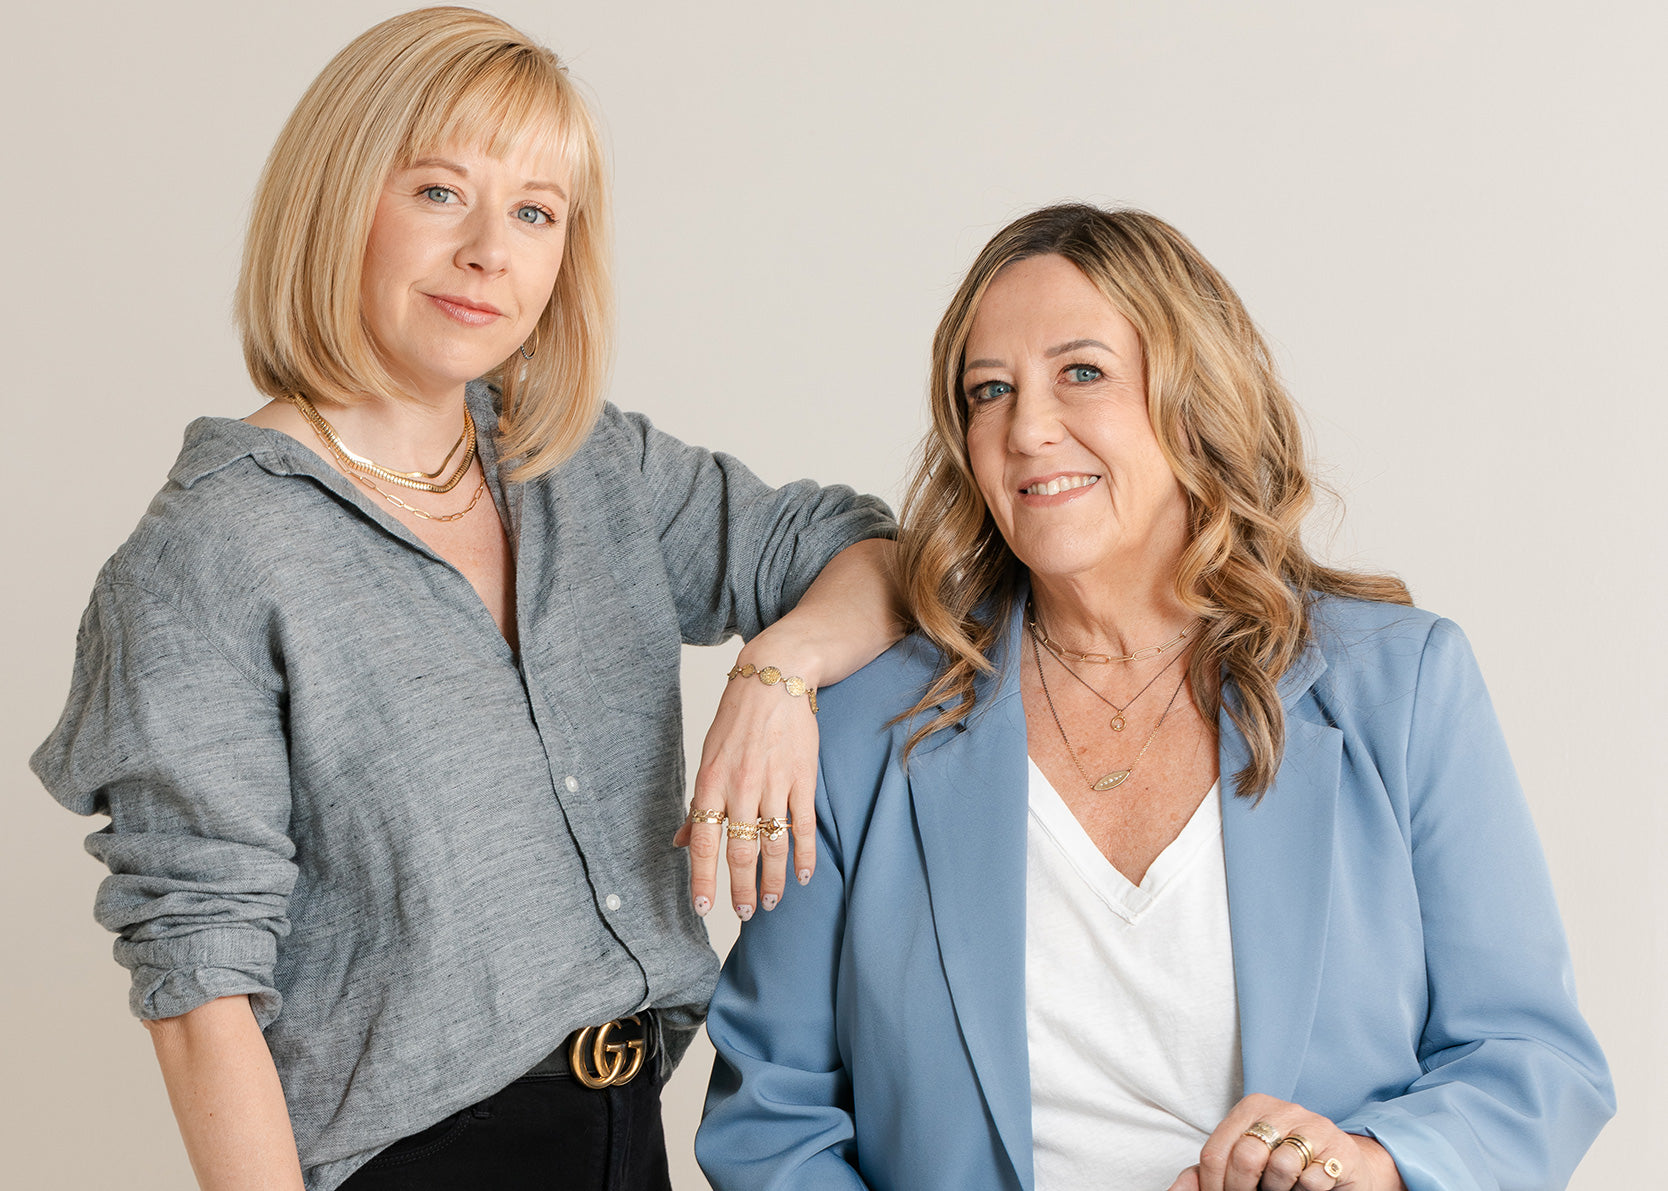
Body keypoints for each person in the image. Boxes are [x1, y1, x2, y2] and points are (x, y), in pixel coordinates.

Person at [31, 9, 899, 1191]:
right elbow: (199, 982)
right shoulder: (211, 552)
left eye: (537, 212)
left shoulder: (587, 467)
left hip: (625, 1133)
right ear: (341, 200)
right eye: (441, 192)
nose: (492, 250)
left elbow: (874, 557)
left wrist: (777, 673)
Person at [697, 204, 1614, 1191]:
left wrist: (1369, 1166)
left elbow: (1530, 1059)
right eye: (989, 391)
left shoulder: (1403, 685)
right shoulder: (863, 732)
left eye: (1081, 372)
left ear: (1192, 397)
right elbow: (769, 1120)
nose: (1026, 429)